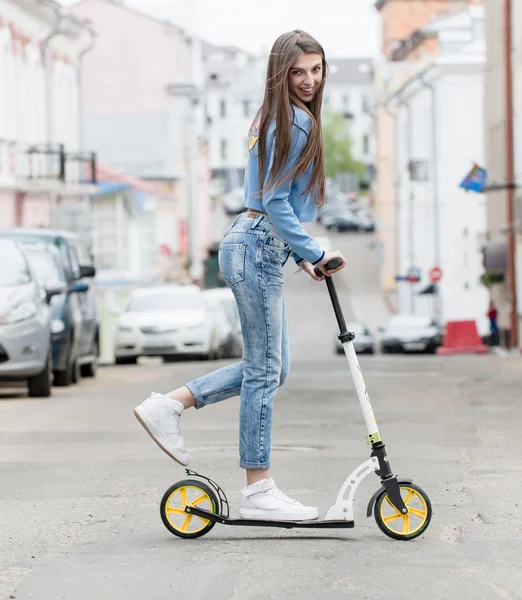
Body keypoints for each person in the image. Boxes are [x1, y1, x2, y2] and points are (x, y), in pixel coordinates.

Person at [134, 30, 347, 522]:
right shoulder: (290, 121)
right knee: (264, 370)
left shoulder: (275, 118)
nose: (310, 80)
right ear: (280, 74)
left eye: (316, 69)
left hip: (253, 245)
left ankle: (171, 404)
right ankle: (258, 489)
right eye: (298, 72)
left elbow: (275, 203)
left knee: (271, 369)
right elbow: (273, 201)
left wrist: (303, 259)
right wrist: (314, 249)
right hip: (255, 246)